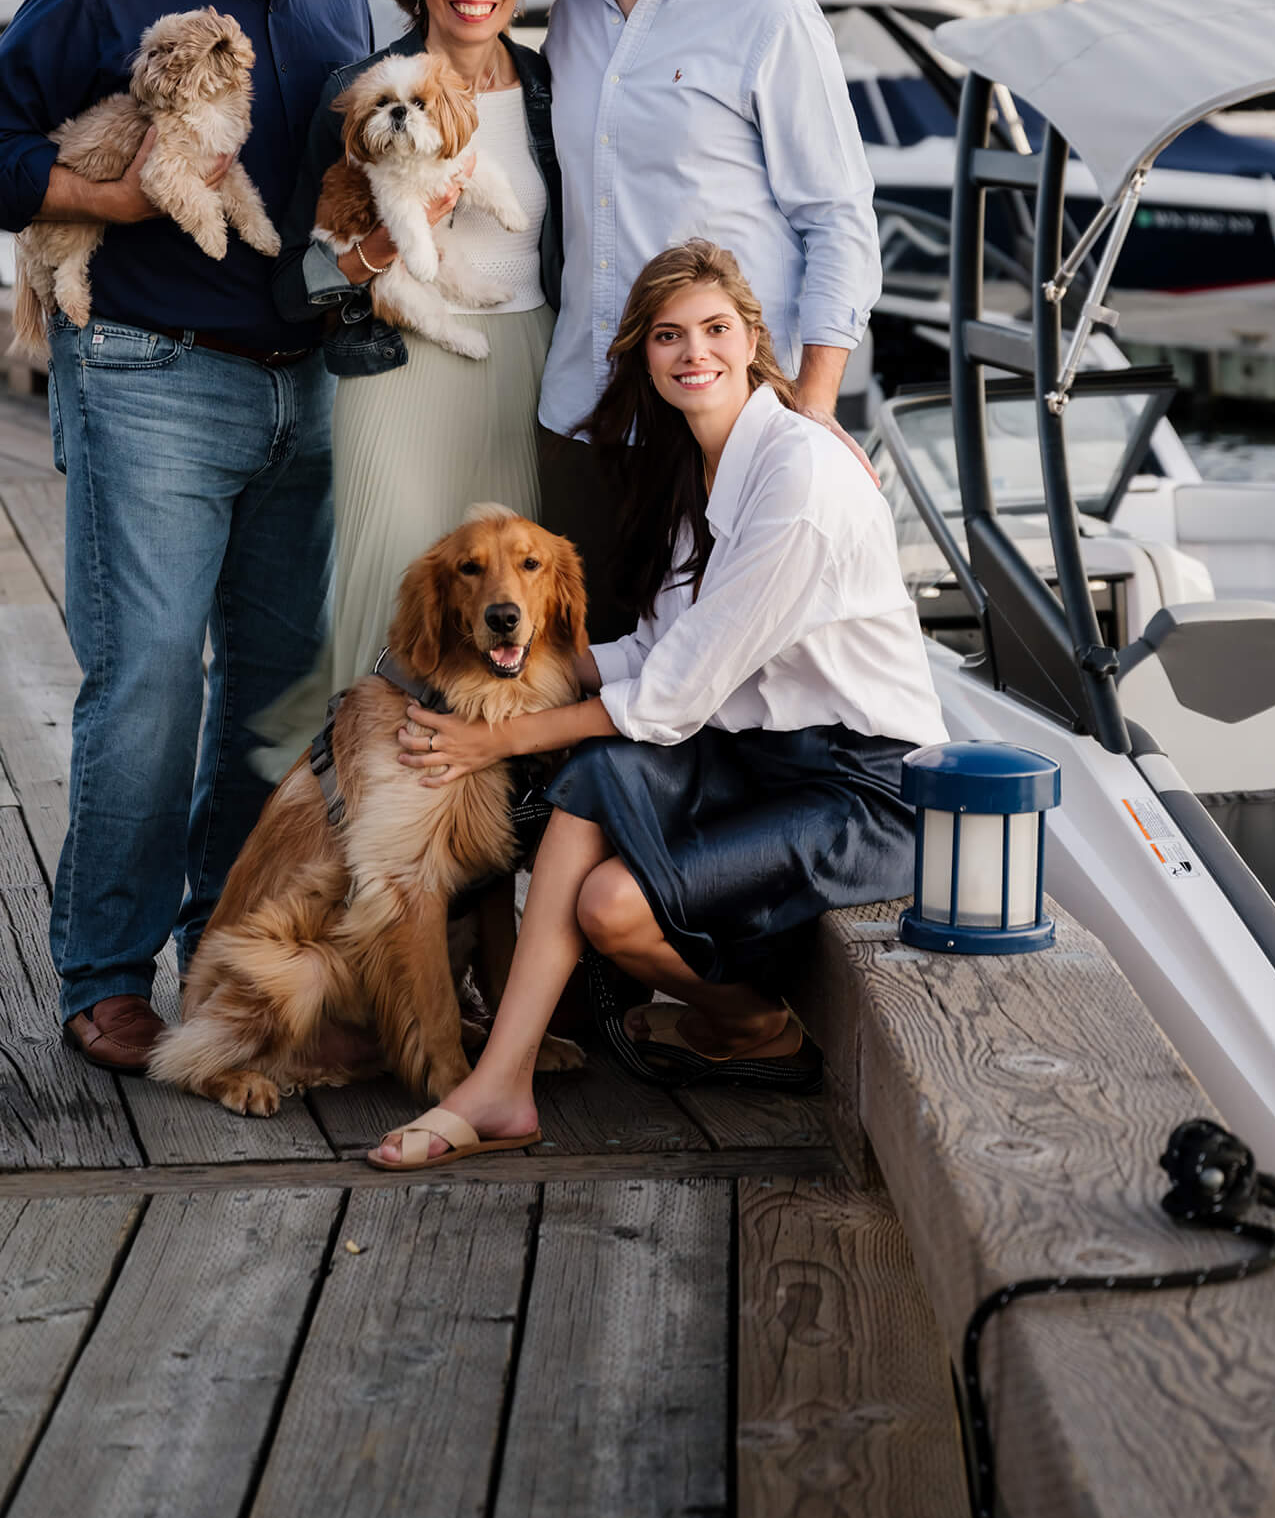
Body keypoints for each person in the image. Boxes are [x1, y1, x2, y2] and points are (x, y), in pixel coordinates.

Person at [0, 0, 372, 1074]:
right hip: (150, 378)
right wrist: (119, 203)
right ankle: (105, 972)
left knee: (272, 697)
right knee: (144, 695)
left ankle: (224, 947)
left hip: (308, 387)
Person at [364, 240, 947, 1168]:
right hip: (750, 756)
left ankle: (753, 1026)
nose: (693, 353)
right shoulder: (700, 465)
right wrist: (515, 663)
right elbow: (658, 648)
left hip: (855, 789)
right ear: (644, 354)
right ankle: (502, 1086)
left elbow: (672, 695)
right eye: (668, 336)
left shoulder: (798, 479)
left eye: (715, 330)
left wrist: (495, 740)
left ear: (754, 340)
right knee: (598, 777)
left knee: (613, 907)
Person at [537, 0, 883, 632]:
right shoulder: (567, 21)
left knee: (722, 688)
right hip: (583, 419)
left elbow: (837, 220)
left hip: (724, 420)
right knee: (595, 659)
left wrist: (807, 410)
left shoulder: (769, 16)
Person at [271, 0, 574, 693]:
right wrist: (379, 252)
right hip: (395, 371)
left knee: (513, 626)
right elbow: (292, 287)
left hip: (532, 367)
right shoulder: (358, 92)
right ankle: (367, 814)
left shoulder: (557, 85)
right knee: (390, 609)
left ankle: (497, 818)